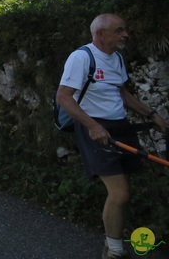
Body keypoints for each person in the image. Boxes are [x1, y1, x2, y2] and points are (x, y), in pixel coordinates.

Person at [56, 14, 166, 259]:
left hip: (119, 126)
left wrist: (152, 114)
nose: (125, 34)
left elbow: (123, 94)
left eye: (124, 29)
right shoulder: (81, 57)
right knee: (120, 193)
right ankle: (113, 251)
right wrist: (93, 126)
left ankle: (115, 237)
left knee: (124, 191)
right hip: (94, 129)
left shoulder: (116, 57)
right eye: (119, 30)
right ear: (100, 35)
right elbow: (63, 97)